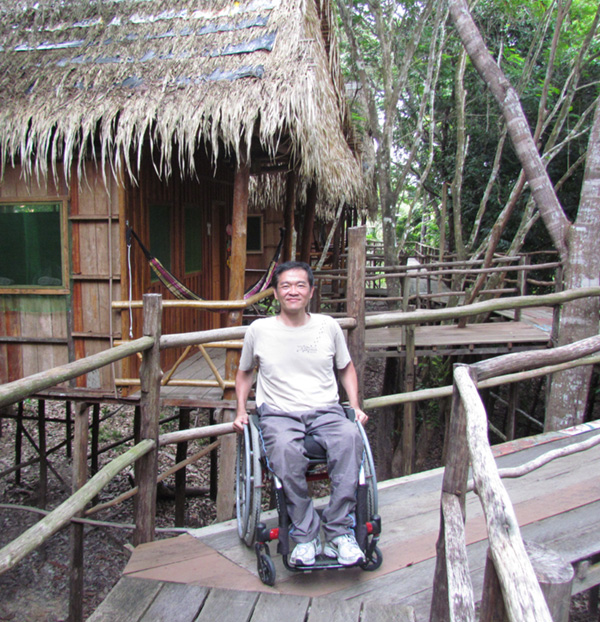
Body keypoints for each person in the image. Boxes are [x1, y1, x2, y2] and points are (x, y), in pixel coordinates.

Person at [234, 260, 369, 567]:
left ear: (310, 292)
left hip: (326, 410)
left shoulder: (328, 327)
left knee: (350, 438)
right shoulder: (259, 330)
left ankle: (338, 531)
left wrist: (355, 405)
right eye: (285, 286)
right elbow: (244, 374)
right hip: (279, 413)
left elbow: (345, 367)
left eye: (299, 285)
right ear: (276, 293)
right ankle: (305, 534)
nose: (292, 291)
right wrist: (241, 410)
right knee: (283, 450)